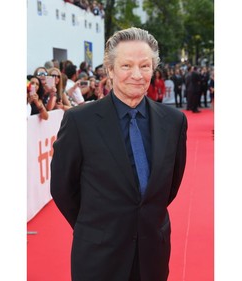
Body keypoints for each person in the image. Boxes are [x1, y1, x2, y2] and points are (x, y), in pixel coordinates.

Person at [50, 27, 187, 281]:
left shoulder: (174, 121)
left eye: (145, 66)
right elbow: (62, 188)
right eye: (126, 66)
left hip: (152, 254)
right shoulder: (80, 121)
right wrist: (95, 226)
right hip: (98, 255)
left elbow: (168, 188)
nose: (137, 75)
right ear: (110, 70)